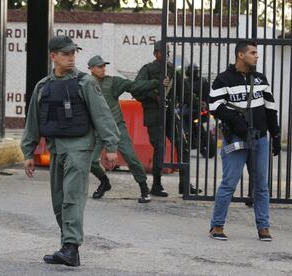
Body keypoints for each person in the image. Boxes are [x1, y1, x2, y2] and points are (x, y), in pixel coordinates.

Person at [21, 36, 120, 267]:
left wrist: (111, 146)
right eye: (66, 54)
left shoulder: (85, 83)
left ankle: (71, 247)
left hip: (79, 147)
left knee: (72, 198)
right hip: (57, 149)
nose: (71, 57)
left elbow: (102, 114)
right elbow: (33, 122)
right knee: (59, 200)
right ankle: (67, 245)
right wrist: (28, 153)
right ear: (53, 56)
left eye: (73, 53)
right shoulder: (43, 86)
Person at [208, 40, 281, 241]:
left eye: (256, 53)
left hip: (260, 139)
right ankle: (217, 226)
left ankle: (263, 227)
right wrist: (239, 125)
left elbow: (270, 109)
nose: (256, 56)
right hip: (236, 139)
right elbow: (215, 106)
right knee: (229, 183)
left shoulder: (260, 79)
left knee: (262, 186)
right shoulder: (223, 80)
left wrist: (275, 135)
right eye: (253, 52)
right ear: (241, 55)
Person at [87, 55, 161, 203]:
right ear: (91, 69)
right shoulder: (85, 84)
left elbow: (134, 86)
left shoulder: (113, 82)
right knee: (90, 161)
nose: (103, 69)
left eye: (104, 66)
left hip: (116, 128)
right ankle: (104, 182)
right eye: (100, 66)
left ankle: (144, 188)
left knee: (130, 157)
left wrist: (155, 83)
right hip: (97, 130)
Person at [135, 40, 202, 197]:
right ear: (155, 53)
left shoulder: (172, 70)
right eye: (163, 52)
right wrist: (154, 95)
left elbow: (184, 92)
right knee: (160, 148)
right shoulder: (148, 69)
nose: (166, 55)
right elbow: (136, 89)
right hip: (153, 113)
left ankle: (184, 185)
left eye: (168, 52)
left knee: (183, 145)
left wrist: (200, 103)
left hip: (170, 113)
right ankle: (156, 185)